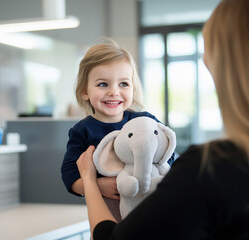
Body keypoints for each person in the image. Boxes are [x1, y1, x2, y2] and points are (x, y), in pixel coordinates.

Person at [76, 0, 249, 239]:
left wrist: (89, 179)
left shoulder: (212, 173)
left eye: (210, 51)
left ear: (236, 67)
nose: (204, 61)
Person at [61, 40, 174, 222]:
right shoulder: (82, 131)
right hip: (108, 217)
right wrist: (97, 186)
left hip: (152, 214)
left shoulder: (146, 122)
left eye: (123, 84)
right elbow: (69, 174)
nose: (114, 91)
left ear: (133, 88)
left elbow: (169, 155)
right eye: (103, 84)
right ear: (85, 91)